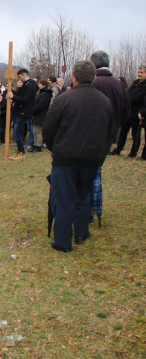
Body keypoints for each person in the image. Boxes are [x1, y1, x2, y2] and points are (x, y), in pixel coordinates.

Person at [43, 60, 113, 253]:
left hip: (67, 158)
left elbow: (49, 128)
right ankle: (81, 233)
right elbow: (110, 133)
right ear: (94, 78)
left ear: (73, 78)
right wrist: (100, 155)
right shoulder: (105, 101)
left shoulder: (64, 99)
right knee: (83, 195)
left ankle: (63, 241)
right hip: (90, 158)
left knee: (65, 198)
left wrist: (55, 149)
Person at [90, 50, 131, 151]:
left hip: (92, 131)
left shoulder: (93, 82)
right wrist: (116, 124)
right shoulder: (119, 85)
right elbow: (126, 109)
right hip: (111, 131)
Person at [111, 65, 146, 157]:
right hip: (128, 112)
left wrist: (127, 99)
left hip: (137, 112)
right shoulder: (135, 83)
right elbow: (127, 93)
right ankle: (118, 149)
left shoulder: (144, 86)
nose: (139, 74)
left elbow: (138, 97)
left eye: (142, 72)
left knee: (135, 134)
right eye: (138, 72)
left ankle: (133, 152)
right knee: (123, 132)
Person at [6, 69, 38, 160]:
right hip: (19, 111)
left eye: (20, 77)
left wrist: (13, 97)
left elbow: (25, 99)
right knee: (18, 133)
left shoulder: (30, 85)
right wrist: (14, 98)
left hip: (23, 112)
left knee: (16, 133)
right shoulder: (26, 85)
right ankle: (19, 151)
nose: (19, 79)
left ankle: (22, 152)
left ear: (24, 75)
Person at [30, 79, 53, 153]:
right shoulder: (41, 93)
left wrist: (33, 110)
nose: (39, 85)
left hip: (41, 114)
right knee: (34, 130)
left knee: (39, 131)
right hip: (36, 114)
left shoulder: (45, 94)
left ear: (44, 85)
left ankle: (38, 146)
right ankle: (35, 144)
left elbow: (40, 105)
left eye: (40, 84)